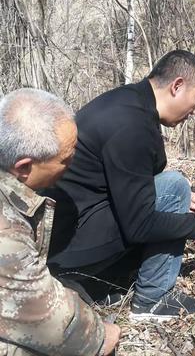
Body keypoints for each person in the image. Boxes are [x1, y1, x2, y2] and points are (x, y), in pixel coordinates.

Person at [45, 50, 195, 321]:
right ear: (177, 86)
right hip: (67, 247)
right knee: (175, 185)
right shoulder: (132, 125)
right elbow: (140, 225)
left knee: (173, 190)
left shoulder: (129, 102)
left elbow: (128, 182)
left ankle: (95, 283)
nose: (193, 111)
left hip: (65, 235)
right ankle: (152, 300)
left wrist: (173, 200)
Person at [0, 88, 120, 355]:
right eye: (66, 159)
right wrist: (102, 334)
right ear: (23, 167)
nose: (73, 162)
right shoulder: (6, 235)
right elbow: (57, 328)